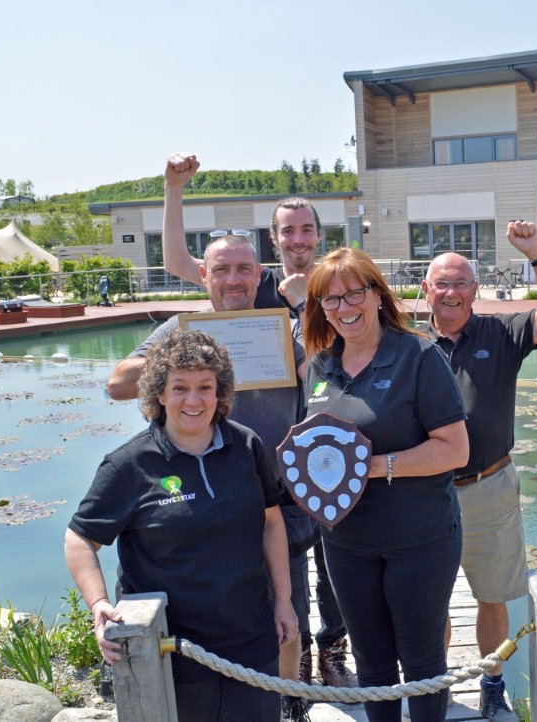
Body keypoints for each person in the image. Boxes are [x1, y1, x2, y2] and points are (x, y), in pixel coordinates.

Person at [161, 152, 359, 716]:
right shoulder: (260, 283)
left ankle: (333, 650)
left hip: (324, 452)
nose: (298, 239)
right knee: (287, 574)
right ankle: (285, 686)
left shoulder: (335, 280)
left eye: (306, 229)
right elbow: (183, 260)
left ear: (320, 234)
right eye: (287, 231)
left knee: (336, 566)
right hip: (259, 463)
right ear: (274, 241)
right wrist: (175, 189)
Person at [67, 329, 297, 720]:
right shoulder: (128, 464)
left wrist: (284, 600)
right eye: (180, 388)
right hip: (171, 648)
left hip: (250, 638)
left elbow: (272, 523)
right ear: (159, 393)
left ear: (220, 392)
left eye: (205, 387)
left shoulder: (246, 445)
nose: (193, 400)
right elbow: (79, 540)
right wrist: (99, 604)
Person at [301, 248, 468, 722]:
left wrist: (371, 466)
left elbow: (455, 450)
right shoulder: (320, 366)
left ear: (376, 295)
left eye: (354, 292)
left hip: (420, 539)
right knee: (371, 662)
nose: (343, 307)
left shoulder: (418, 355)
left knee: (421, 661)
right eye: (329, 299)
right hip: (346, 542)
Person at [422, 221, 537, 718]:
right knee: (432, 599)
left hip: (490, 485)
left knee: (491, 596)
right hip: (425, 493)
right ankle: (436, 682)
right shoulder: (406, 345)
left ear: (475, 290)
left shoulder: (501, 331)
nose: (451, 292)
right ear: (426, 290)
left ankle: (491, 680)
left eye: (460, 283)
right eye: (441, 283)